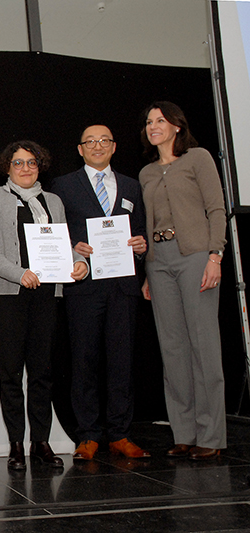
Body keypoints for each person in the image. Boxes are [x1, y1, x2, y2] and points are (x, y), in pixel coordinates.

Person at [0, 140, 87, 471]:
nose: (26, 168)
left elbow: (63, 242)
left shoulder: (52, 201)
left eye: (32, 163)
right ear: (6, 167)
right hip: (6, 293)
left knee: (42, 371)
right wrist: (19, 273)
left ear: (40, 166)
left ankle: (40, 441)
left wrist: (79, 261)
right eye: (18, 163)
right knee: (10, 372)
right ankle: (15, 445)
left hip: (45, 294)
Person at [51, 125, 150, 460]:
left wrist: (140, 246)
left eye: (104, 140)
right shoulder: (63, 186)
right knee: (84, 360)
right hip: (85, 285)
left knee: (122, 361)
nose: (97, 146)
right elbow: (53, 232)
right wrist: (72, 246)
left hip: (123, 285)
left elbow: (139, 233)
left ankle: (121, 434)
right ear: (80, 149)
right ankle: (89, 435)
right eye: (90, 141)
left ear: (114, 146)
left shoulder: (133, 186)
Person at [139, 101, 227, 460]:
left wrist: (215, 255)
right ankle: (184, 432)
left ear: (177, 125)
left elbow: (216, 209)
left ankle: (212, 436)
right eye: (148, 122)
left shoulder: (198, 158)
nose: (153, 126)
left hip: (195, 257)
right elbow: (148, 223)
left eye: (160, 120)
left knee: (203, 346)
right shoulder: (146, 173)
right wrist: (147, 270)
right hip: (159, 263)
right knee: (172, 349)